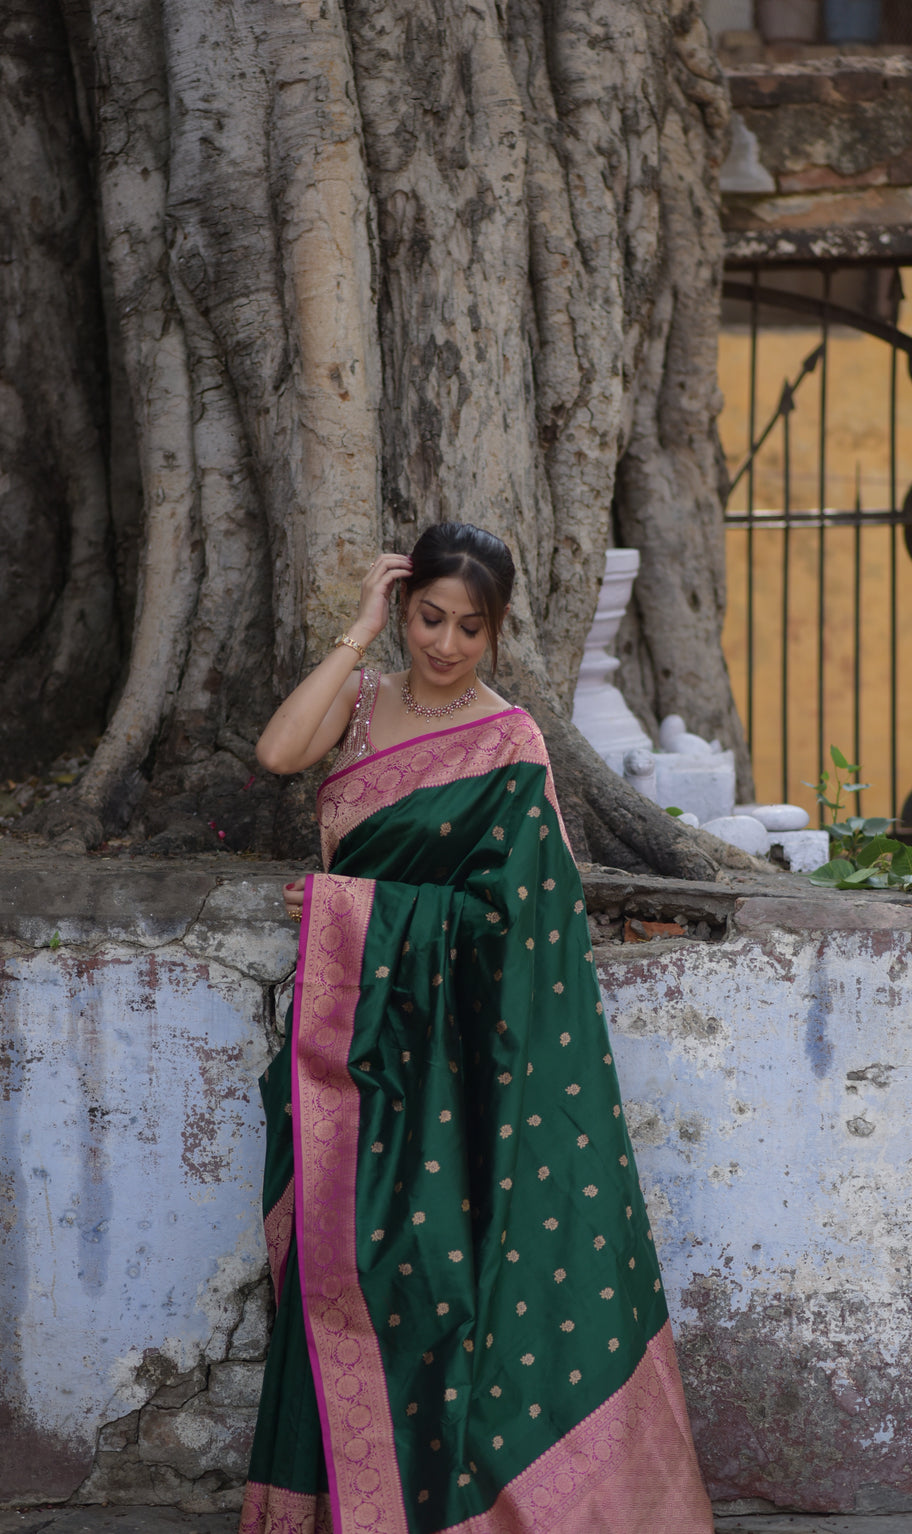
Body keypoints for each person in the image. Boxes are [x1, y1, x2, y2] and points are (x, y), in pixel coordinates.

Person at [240, 523, 713, 1534]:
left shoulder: (509, 746)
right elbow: (279, 751)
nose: (444, 645)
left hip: (450, 1075)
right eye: (425, 618)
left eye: (468, 627)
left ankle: (445, 1507)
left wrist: (358, 916)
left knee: (436, 1286)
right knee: (338, 1278)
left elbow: (523, 929)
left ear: (496, 634)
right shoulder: (363, 705)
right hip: (344, 1054)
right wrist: (355, 632)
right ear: (401, 609)